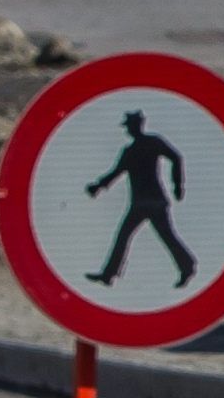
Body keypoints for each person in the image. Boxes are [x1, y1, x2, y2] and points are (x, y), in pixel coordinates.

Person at [82, 110, 194, 287]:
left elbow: (176, 158)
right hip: (145, 202)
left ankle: (187, 267)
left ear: (136, 126)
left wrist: (178, 185)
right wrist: (97, 186)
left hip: (150, 202)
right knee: (135, 236)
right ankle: (109, 274)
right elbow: (116, 173)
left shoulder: (149, 144)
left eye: (130, 126)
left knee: (159, 236)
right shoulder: (132, 150)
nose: (128, 130)